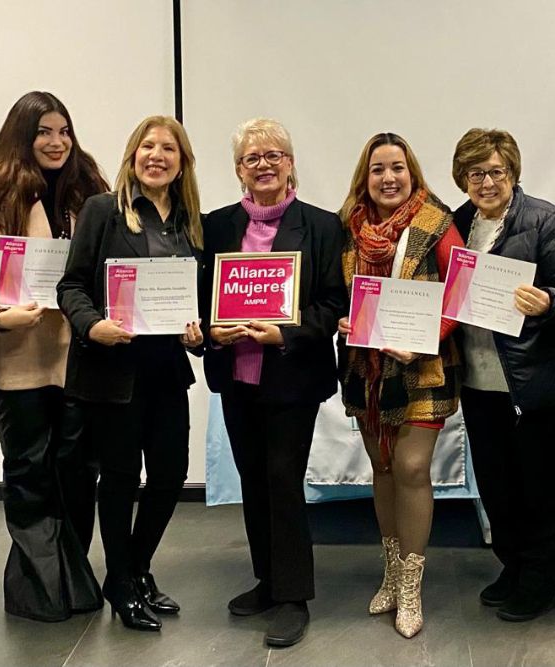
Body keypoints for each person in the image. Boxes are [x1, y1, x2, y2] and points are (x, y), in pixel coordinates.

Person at [201, 118, 346, 648]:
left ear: (290, 164)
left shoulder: (322, 225)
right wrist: (209, 331)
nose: (263, 165)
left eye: (273, 155)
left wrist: (285, 331)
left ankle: (292, 597)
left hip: (291, 376)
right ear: (238, 169)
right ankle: (267, 580)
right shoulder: (215, 226)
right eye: (252, 158)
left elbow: (333, 303)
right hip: (236, 376)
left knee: (283, 480)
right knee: (253, 480)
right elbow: (201, 298)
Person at [56, 115, 205, 632]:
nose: (156, 156)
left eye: (168, 148)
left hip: (166, 370)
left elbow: (199, 300)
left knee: (169, 475)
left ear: (182, 162)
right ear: (133, 155)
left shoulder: (191, 222)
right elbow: (71, 286)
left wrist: (199, 334)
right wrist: (92, 325)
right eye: (148, 146)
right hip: (112, 371)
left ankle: (136, 567)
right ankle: (120, 581)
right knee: (120, 479)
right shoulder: (103, 211)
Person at [0, 91, 109, 621]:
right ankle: (38, 587)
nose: (56, 141)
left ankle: (73, 577)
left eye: (63, 131)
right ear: (22, 136)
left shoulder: (89, 188)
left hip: (79, 355)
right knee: (29, 468)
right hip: (18, 355)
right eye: (44, 132)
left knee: (78, 469)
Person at [449, 128, 555, 621]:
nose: (487, 182)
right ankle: (513, 568)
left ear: (513, 172)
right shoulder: (458, 222)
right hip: (479, 381)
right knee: (497, 486)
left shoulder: (547, 220)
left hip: (535, 383)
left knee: (540, 489)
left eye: (496, 171)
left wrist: (548, 301)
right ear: (462, 178)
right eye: (475, 173)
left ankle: (541, 584)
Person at [336, 132, 463, 638]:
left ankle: (411, 586)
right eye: (378, 169)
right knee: (384, 467)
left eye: (397, 168)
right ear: (365, 177)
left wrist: (427, 338)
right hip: (367, 369)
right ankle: (390, 574)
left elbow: (459, 293)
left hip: (423, 367)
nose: (388, 178)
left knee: (411, 467)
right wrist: (342, 319)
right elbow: (336, 291)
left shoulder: (438, 223)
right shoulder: (349, 225)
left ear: (412, 173)